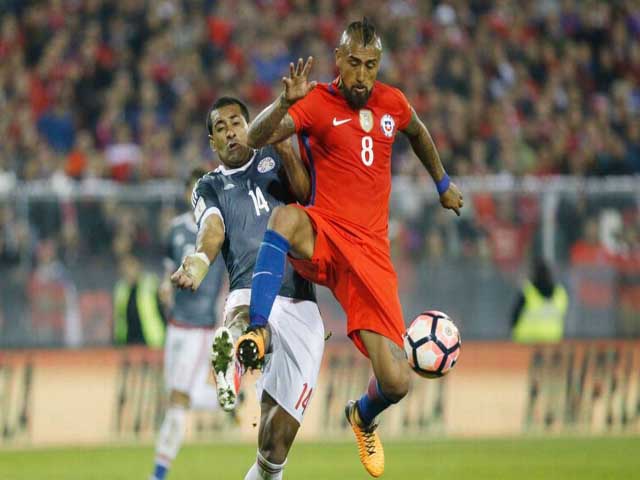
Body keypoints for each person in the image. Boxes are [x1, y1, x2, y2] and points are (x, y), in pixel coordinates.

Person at [236, 18, 464, 477]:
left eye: (371, 66)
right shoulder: (317, 100)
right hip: (324, 230)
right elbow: (253, 137)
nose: (362, 75)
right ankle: (257, 330)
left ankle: (361, 415)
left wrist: (442, 182)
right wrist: (284, 100)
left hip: (371, 254)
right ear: (338, 59)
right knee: (284, 219)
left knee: (398, 381)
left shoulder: (392, 103)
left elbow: (418, 132)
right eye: (355, 64)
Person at [171, 97, 324, 480]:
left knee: (273, 452)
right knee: (247, 319)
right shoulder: (209, 186)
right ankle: (236, 354)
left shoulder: (275, 156)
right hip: (247, 289)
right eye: (220, 129)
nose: (230, 132)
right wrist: (200, 261)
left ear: (249, 124)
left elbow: (307, 197)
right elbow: (211, 230)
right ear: (212, 143)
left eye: (236, 122)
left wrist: (284, 145)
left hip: (300, 300)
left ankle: (243, 350)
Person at [149, 168, 226, 480]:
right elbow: (168, 271)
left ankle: (158, 472)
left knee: (179, 398)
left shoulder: (220, 231)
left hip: (200, 326)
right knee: (176, 395)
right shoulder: (176, 230)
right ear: (187, 194)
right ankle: (227, 397)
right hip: (175, 324)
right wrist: (165, 287)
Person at [511, 258, 569, 343]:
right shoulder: (560, 294)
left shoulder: (527, 292)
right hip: (552, 341)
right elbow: (563, 315)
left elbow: (514, 317)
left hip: (525, 342)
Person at [113, 254, 165, 348]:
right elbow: (119, 318)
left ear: (138, 266)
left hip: (152, 341)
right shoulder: (121, 289)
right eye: (124, 268)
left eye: (131, 266)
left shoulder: (151, 283)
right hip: (128, 342)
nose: (128, 271)